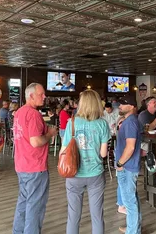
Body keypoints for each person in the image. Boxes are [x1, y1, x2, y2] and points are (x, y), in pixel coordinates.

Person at [60, 89, 110, 234]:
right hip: (95, 173)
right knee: (97, 215)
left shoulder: (72, 122)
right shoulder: (102, 124)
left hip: (74, 173)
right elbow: (103, 153)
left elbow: (64, 149)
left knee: (73, 216)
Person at [13, 83, 57, 234]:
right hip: (35, 166)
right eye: (41, 94)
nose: (44, 97)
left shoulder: (19, 112)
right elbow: (36, 141)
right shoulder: (34, 114)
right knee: (35, 206)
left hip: (21, 164)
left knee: (23, 202)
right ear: (31, 96)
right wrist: (50, 133)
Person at [116, 95, 142, 234]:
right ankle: (134, 228)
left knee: (129, 202)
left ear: (131, 106)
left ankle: (133, 232)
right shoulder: (129, 121)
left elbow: (130, 147)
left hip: (127, 167)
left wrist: (120, 163)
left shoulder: (131, 122)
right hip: (129, 166)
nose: (120, 106)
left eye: (123, 104)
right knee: (132, 199)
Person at [138, 96, 156, 184]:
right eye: (154, 102)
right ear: (148, 104)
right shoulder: (143, 115)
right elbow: (148, 129)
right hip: (143, 141)